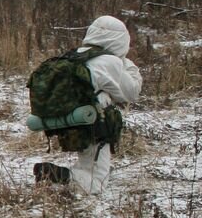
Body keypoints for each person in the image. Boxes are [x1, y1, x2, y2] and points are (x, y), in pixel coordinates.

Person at [33, 14, 142, 194]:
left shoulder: (76, 55)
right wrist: (125, 63)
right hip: (93, 124)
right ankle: (55, 174)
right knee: (96, 183)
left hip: (68, 119)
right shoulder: (111, 62)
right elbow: (131, 92)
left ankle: (60, 180)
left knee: (88, 163)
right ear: (120, 40)